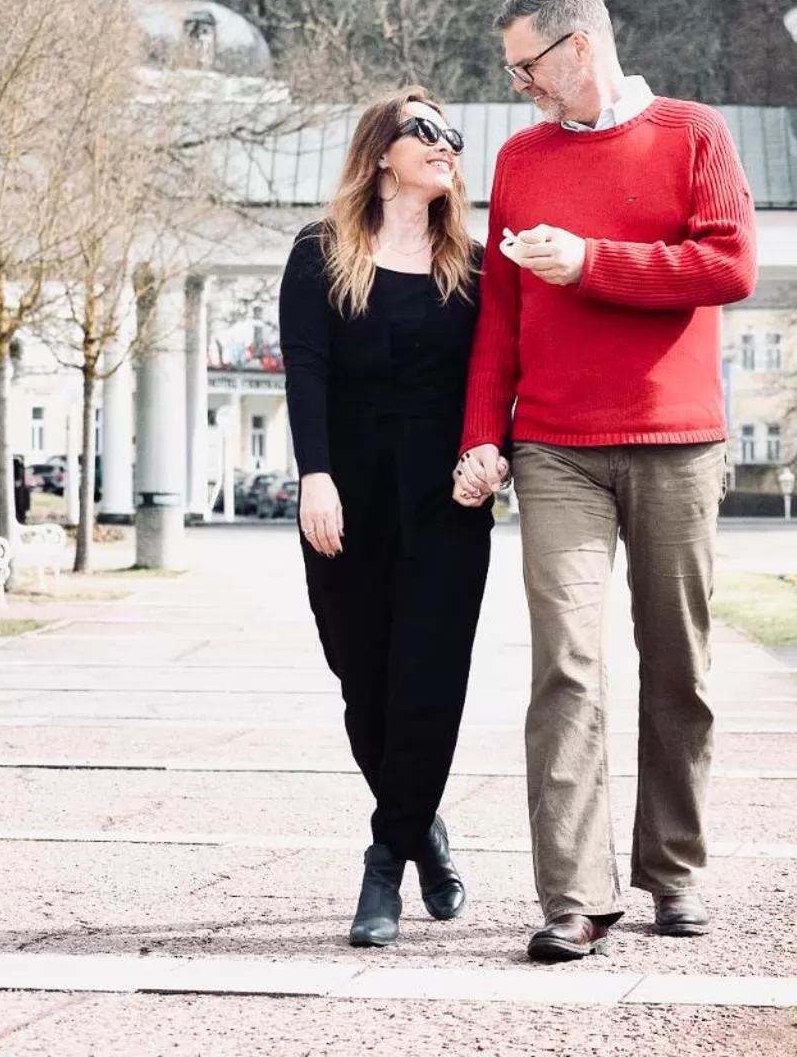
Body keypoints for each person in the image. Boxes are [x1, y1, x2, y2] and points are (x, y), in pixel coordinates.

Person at [453, 0, 756, 963]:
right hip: (554, 448)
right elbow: (498, 312)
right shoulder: (521, 158)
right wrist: (481, 433)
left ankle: (672, 871)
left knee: (680, 668)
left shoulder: (695, 135)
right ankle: (575, 896)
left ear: (579, 48)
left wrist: (591, 264)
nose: (520, 83)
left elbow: (728, 266)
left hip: (677, 440)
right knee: (566, 668)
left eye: (526, 64)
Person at [279, 87, 494, 948]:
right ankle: (423, 832)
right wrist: (315, 476)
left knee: (428, 680)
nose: (446, 144)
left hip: (446, 501)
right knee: (362, 677)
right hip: (349, 494)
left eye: (451, 134)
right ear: (379, 154)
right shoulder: (321, 252)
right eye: (425, 131)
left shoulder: (474, 267)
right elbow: (306, 374)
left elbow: (497, 375)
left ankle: (383, 862)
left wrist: (492, 448)